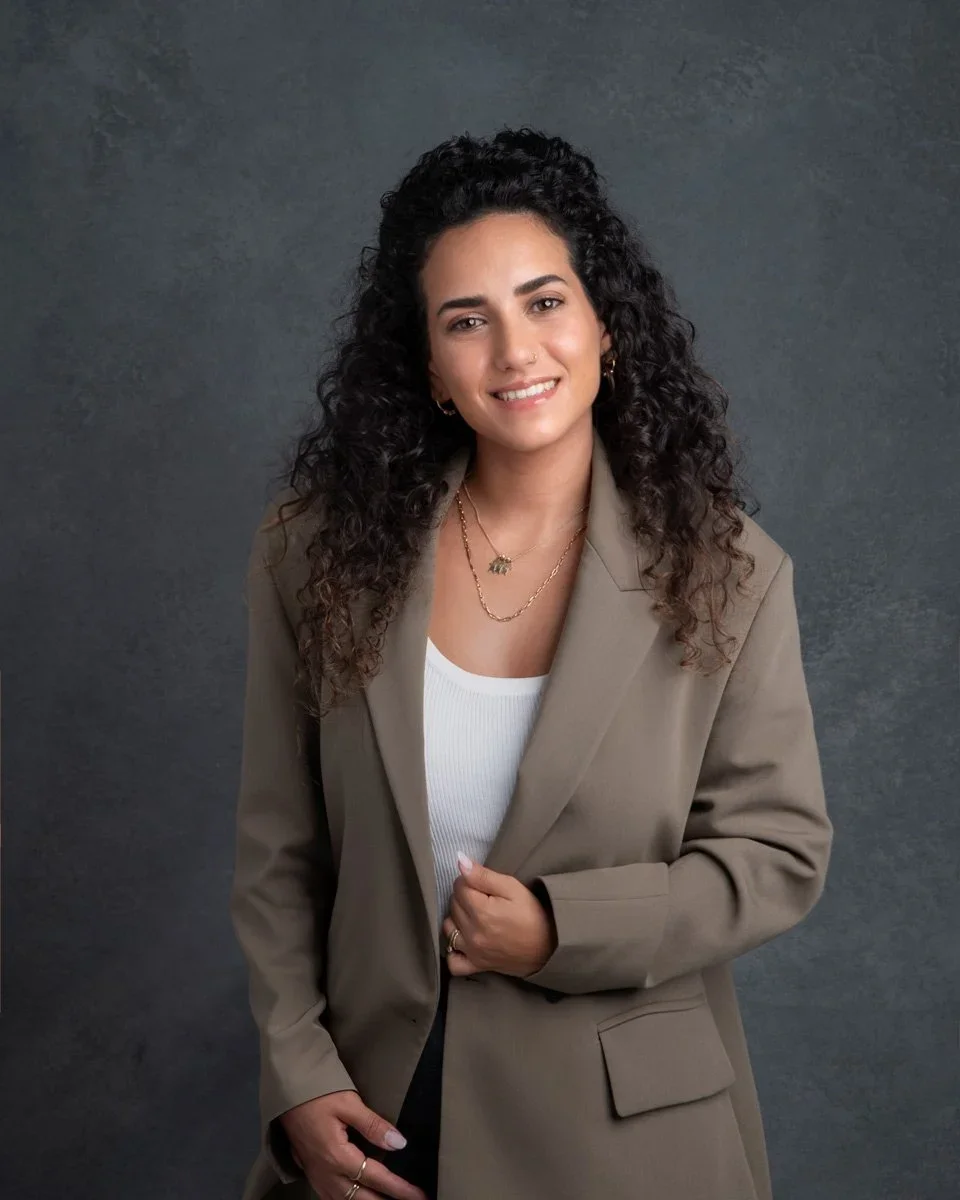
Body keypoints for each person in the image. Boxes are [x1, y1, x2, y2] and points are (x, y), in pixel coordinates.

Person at [229, 127, 833, 1200]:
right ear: (430, 366)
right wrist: (298, 1077)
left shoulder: (728, 573)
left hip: (627, 1142)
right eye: (468, 321)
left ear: (606, 326)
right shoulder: (316, 554)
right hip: (376, 1119)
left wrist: (563, 928)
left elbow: (779, 852)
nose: (515, 352)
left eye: (545, 302)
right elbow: (280, 851)